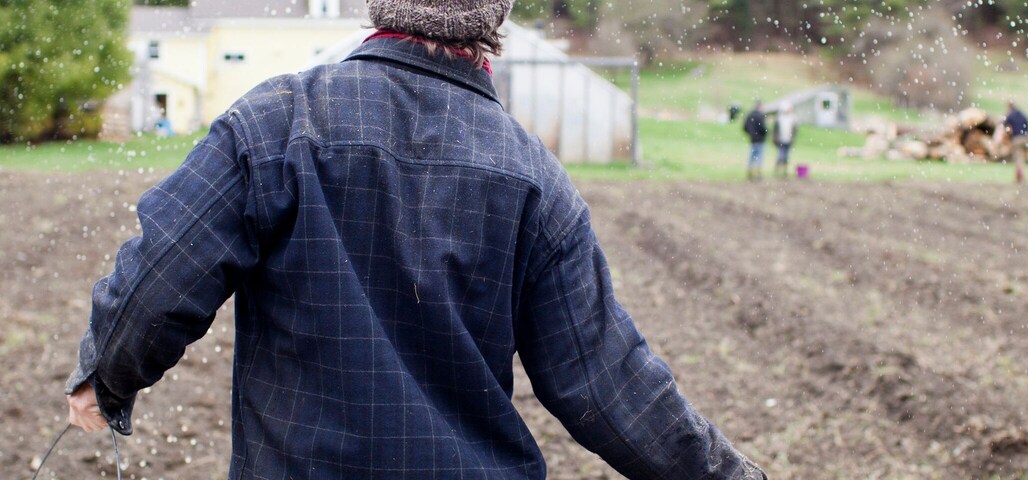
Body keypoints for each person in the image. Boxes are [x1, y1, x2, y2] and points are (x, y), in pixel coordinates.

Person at [62, 0, 766, 478]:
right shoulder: (532, 178)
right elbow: (609, 382)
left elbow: (163, 271)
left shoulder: (279, 122)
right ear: (496, 17)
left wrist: (109, 375)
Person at [1003, 102, 1028, 184]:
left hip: (1016, 139)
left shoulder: (1010, 115)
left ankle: (1022, 179)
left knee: (1019, 160)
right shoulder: (1022, 114)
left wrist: (1009, 134)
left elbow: (1005, 125)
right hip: (1025, 138)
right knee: (1021, 158)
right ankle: (1017, 178)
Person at [743, 99, 769, 181]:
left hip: (753, 139)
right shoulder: (760, 116)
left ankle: (750, 172)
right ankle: (757, 174)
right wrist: (765, 132)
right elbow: (762, 128)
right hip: (760, 140)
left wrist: (751, 133)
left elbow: (745, 127)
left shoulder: (750, 115)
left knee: (752, 156)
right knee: (759, 157)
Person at [772, 104, 798, 178]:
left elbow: (794, 130)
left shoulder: (792, 119)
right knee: (780, 155)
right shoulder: (779, 118)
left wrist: (793, 138)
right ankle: (777, 170)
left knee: (786, 156)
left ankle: (784, 171)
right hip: (780, 140)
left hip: (788, 140)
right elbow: (775, 130)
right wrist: (775, 139)